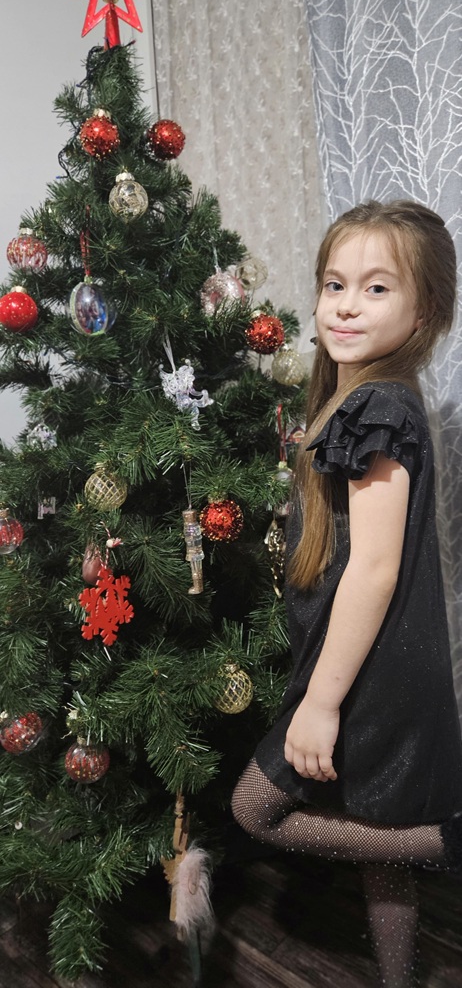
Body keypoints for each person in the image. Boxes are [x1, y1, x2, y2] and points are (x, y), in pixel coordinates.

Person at [231, 199, 462, 987]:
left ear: (424, 311)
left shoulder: (376, 406)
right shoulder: (376, 397)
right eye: (335, 285)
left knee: (253, 808)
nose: (346, 306)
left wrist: (321, 704)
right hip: (387, 664)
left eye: (376, 288)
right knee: (375, 824)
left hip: (371, 674)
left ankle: (447, 842)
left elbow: (373, 569)